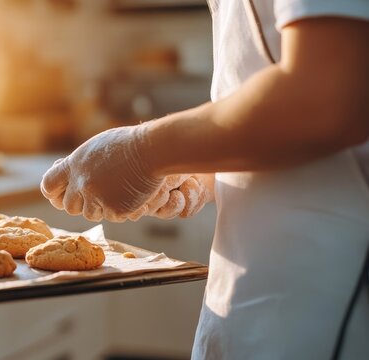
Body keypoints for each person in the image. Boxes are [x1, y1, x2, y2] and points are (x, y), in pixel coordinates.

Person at [40, 0, 369, 359]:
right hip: (251, 303)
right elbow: (261, 89)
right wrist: (204, 168)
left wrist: (144, 152)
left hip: (332, 305)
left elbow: (327, 97)